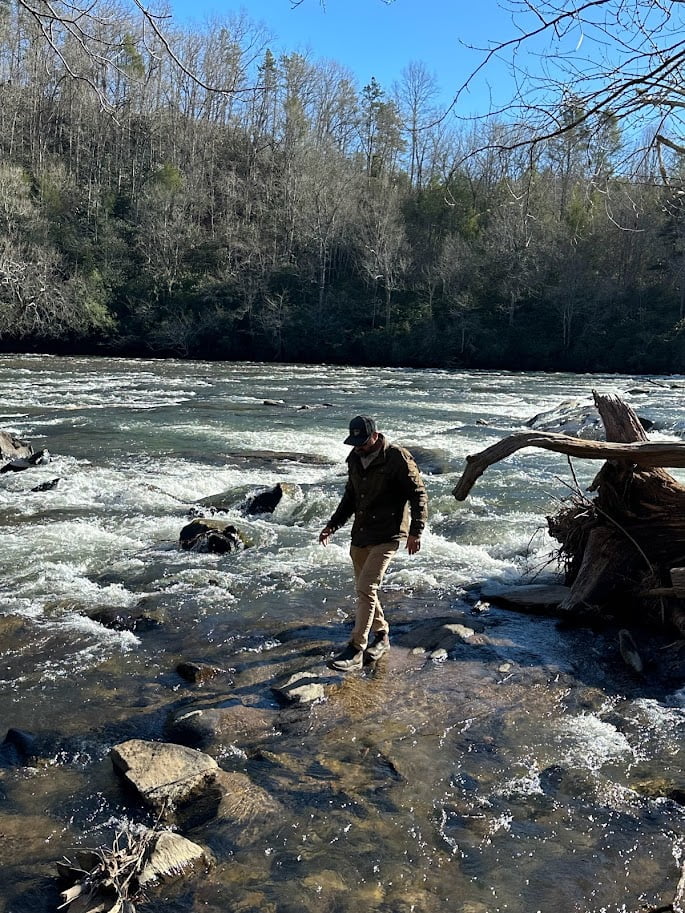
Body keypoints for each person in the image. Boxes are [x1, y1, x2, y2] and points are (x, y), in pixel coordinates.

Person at [319, 415, 428, 671]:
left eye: (363, 441)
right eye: (355, 442)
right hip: (361, 534)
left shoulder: (397, 457)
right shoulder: (355, 458)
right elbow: (350, 497)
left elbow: (418, 494)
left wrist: (416, 532)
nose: (358, 447)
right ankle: (382, 636)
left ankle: (356, 649)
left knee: (367, 587)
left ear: (375, 436)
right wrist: (332, 525)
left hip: (388, 534)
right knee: (364, 589)